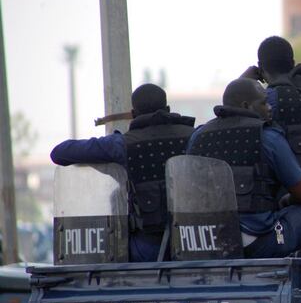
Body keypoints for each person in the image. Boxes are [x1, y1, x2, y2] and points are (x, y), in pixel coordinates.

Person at [186, 78, 301, 259]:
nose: (270, 107)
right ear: (246, 106)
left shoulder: (199, 137)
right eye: (264, 102)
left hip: (205, 241)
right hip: (257, 241)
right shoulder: (267, 136)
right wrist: (286, 200)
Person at [50, 83, 195, 261]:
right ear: (167, 109)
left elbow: (59, 153)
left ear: (133, 115)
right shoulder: (195, 137)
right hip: (193, 240)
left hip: (146, 245)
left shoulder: (122, 144)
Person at [241, 36, 301, 198]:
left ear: (260, 67)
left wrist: (243, 81)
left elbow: (233, 118)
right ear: (293, 63)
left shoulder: (268, 97)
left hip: (294, 191)